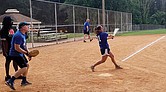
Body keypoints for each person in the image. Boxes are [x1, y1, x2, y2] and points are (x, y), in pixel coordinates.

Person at [5, 22, 32, 90]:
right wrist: (26, 53)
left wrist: (28, 53)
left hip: (19, 53)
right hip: (15, 54)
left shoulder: (23, 34)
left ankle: (24, 81)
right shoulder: (18, 35)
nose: (28, 27)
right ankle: (10, 81)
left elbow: (24, 45)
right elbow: (17, 48)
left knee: (27, 65)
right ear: (22, 27)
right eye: (27, 26)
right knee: (24, 67)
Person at [0, 16, 18, 81]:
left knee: (15, 60)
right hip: (8, 48)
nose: (11, 22)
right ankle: (7, 75)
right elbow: (3, 41)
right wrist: (4, 51)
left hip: (14, 47)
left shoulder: (12, 28)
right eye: (10, 21)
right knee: (8, 61)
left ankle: (17, 73)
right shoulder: (3, 30)